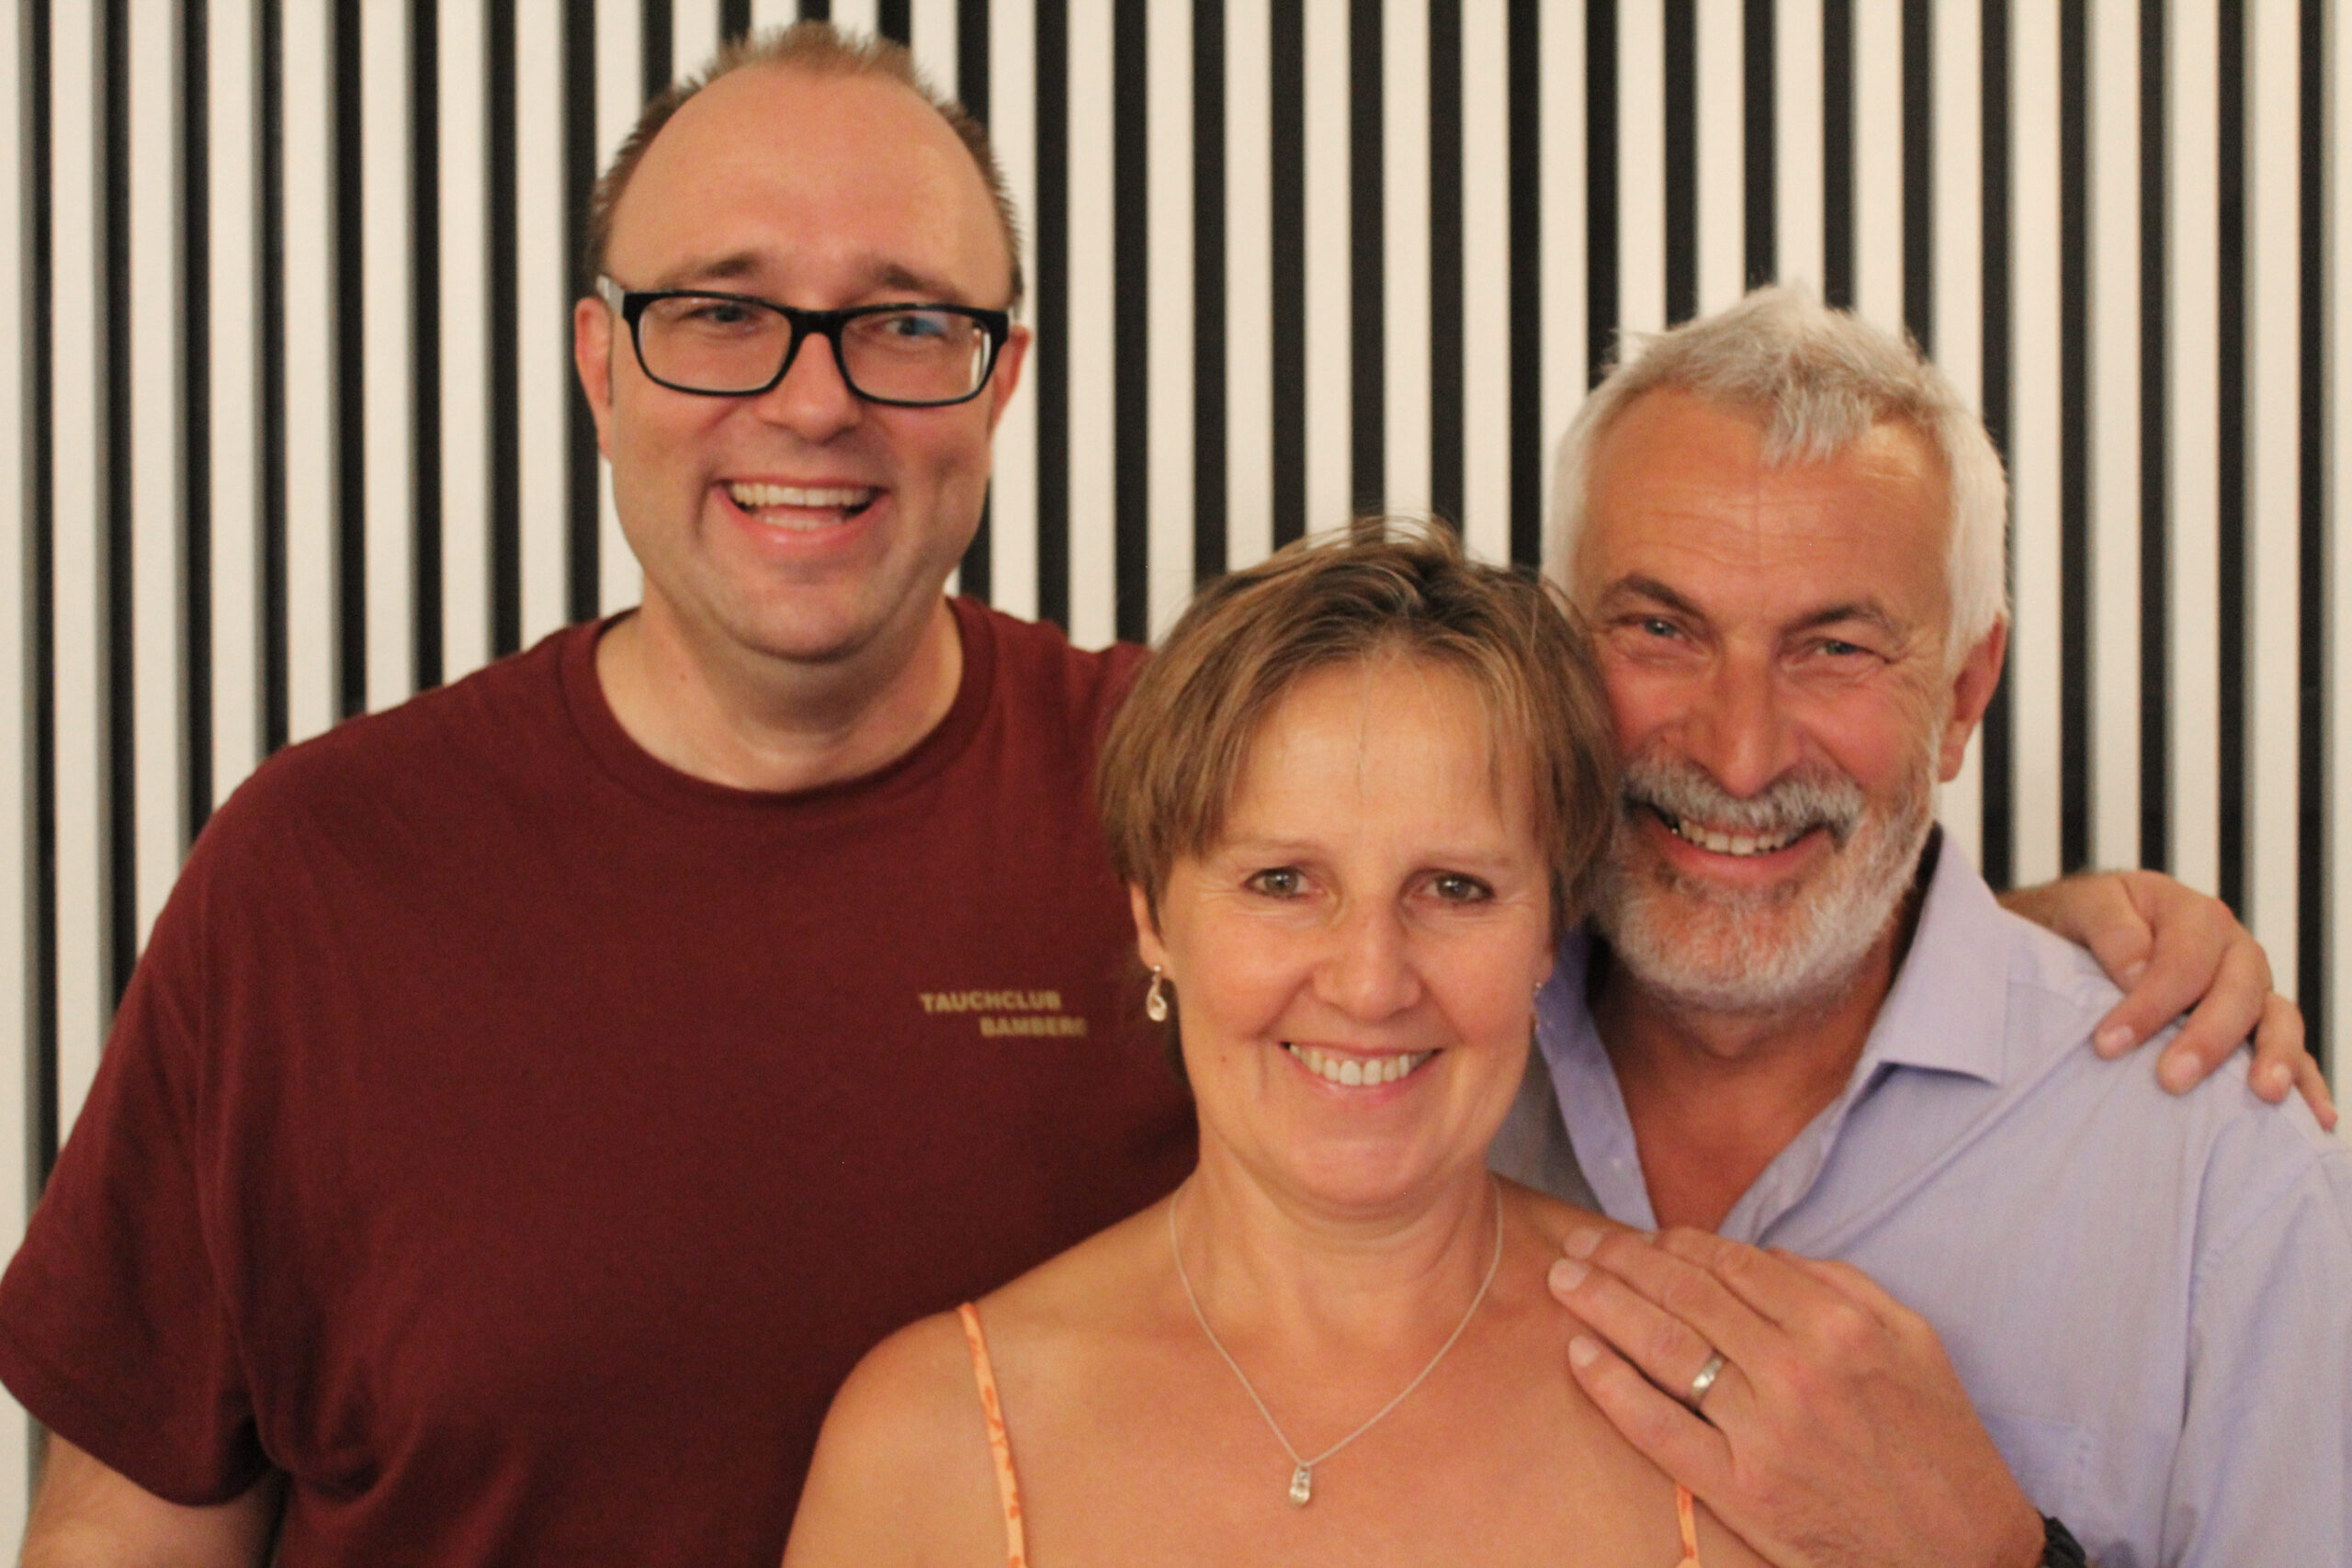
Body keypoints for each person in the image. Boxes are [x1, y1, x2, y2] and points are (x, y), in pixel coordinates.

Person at [0, 24, 2317, 1568]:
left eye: (905, 320)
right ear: (596, 359)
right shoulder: (317, 874)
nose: (810, 396)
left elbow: (1644, 836)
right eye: (718, 308)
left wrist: (2036, 931)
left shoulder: (1184, 763)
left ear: (1001, 378)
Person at [1491, 285, 2352, 1568]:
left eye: (1834, 648)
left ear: (1962, 694)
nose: (1737, 755)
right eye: (1661, 629)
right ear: (1553, 653)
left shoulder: (2223, 1174)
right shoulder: (1381, 1085)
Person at [787, 524, 1780, 1566]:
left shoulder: (1725, 1410)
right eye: (1282, 883)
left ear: (1548, 934)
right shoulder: (932, 1441)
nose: (1369, 982)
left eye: (1455, 888)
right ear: (1153, 918)